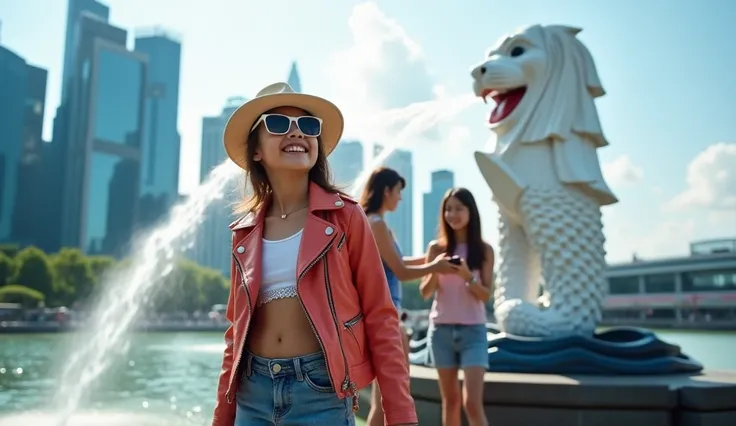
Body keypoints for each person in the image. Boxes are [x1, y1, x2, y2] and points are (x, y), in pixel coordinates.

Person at [211, 82, 418, 426]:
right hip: (252, 393)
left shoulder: (347, 217)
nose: (297, 133)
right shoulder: (243, 233)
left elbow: (381, 317)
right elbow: (236, 333)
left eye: (308, 126)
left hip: (319, 393)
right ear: (256, 151)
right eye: (278, 124)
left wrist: (400, 414)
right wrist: (222, 416)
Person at [359, 167, 459, 426]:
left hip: (385, 313)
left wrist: (434, 258)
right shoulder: (376, 224)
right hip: (385, 313)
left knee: (386, 398)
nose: (400, 198)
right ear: (386, 191)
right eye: (399, 192)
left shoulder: (374, 222)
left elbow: (397, 262)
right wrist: (435, 266)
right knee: (388, 399)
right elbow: (402, 272)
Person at [419, 188, 494, 426]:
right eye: (448, 209)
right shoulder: (436, 249)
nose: (453, 214)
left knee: (472, 402)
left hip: (473, 332)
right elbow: (425, 292)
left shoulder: (484, 250)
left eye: (459, 208)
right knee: (450, 401)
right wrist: (434, 268)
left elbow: (485, 296)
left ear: (471, 212)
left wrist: (467, 276)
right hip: (440, 331)